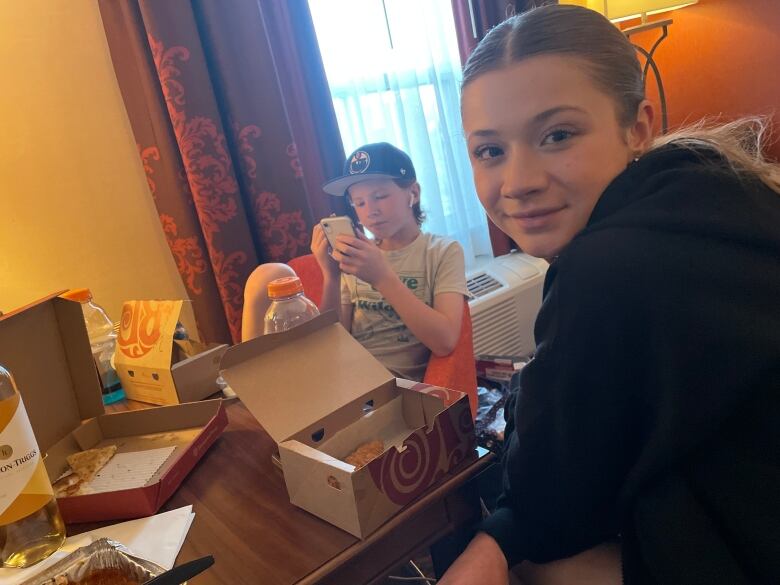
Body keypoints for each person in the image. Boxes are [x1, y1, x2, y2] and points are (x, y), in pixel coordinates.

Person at [441, 5, 780, 585]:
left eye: (558, 134)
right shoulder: (725, 189)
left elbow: (552, 503)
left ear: (638, 124)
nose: (518, 181)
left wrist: (494, 537)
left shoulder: (606, 267)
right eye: (490, 150)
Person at [242, 142, 469, 382]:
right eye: (359, 203)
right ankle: (250, 384)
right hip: (342, 375)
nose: (370, 211)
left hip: (388, 385)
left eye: (380, 197)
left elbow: (445, 342)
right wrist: (331, 276)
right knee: (269, 273)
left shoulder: (442, 251)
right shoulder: (358, 253)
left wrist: (382, 278)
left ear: (413, 193)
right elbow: (333, 340)